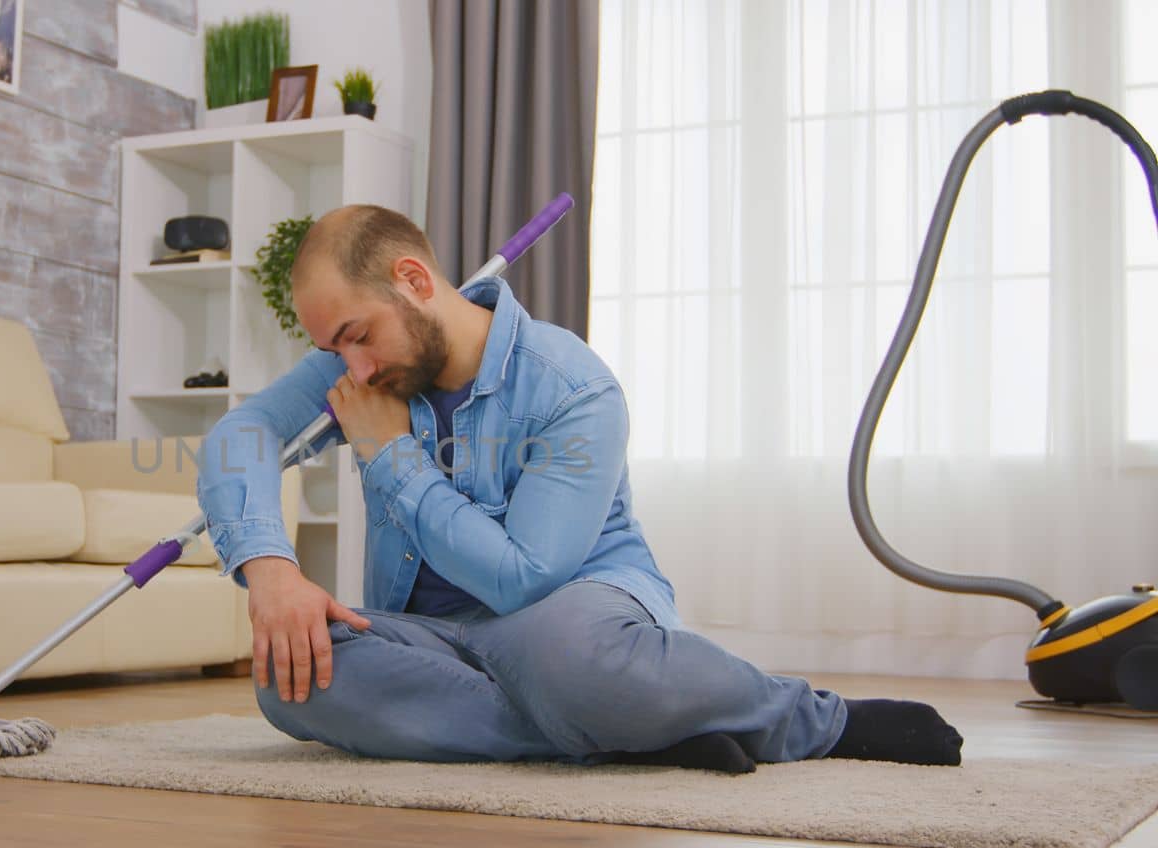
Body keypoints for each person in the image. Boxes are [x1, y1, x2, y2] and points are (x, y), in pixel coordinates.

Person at [195, 204, 963, 772]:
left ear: (414, 280)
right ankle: (637, 732)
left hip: (563, 616)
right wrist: (271, 570)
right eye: (335, 349)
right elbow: (242, 435)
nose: (351, 370)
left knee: (567, 660)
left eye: (357, 336)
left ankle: (811, 720)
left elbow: (522, 575)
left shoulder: (574, 388)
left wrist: (392, 454)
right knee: (289, 672)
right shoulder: (357, 369)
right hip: (431, 642)